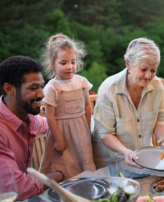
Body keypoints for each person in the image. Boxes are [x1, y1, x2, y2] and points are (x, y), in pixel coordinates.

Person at [92, 37, 164, 168]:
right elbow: (106, 133)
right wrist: (124, 152)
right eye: (143, 69)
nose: (149, 75)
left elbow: (159, 121)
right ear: (128, 64)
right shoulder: (108, 90)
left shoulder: (157, 86)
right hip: (112, 161)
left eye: (153, 70)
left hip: (144, 157)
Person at [0, 56, 65, 201]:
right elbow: (14, 188)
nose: (42, 94)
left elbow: (51, 125)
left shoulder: (28, 118)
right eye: (33, 88)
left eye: (41, 86)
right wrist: (60, 175)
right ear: (9, 89)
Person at [39, 33, 96, 177]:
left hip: (81, 130)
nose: (69, 67)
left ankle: (86, 189)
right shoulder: (52, 87)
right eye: (63, 63)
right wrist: (58, 139)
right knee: (63, 163)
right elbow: (50, 116)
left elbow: (87, 106)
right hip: (61, 133)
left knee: (84, 161)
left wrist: (87, 127)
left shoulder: (81, 81)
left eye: (73, 62)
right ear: (53, 64)